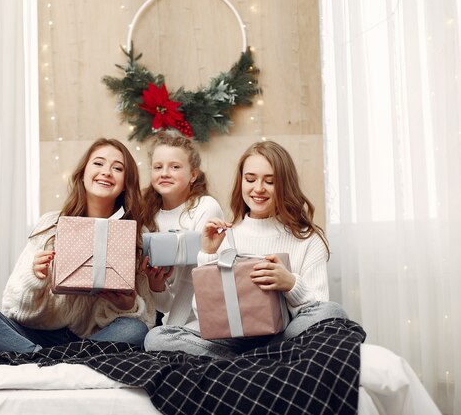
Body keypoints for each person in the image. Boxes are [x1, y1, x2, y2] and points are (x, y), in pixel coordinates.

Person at [144, 140, 347, 358]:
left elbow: (319, 307)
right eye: (250, 179)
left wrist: (290, 283)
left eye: (270, 181)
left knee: (332, 312)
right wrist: (208, 255)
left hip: (286, 334)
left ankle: (249, 359)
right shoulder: (227, 236)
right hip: (233, 341)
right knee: (156, 338)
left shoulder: (308, 238)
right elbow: (205, 315)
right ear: (241, 181)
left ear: (284, 185)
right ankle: (265, 358)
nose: (258, 189)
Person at [0, 138, 155, 353]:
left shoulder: (136, 236)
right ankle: (53, 360)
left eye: (117, 168)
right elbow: (13, 309)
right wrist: (35, 278)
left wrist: (127, 306)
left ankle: (39, 359)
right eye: (98, 163)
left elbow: (147, 320)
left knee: (135, 330)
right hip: (35, 334)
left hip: (93, 340)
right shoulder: (50, 224)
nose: (106, 171)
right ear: (83, 174)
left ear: (126, 182)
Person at [140, 130, 223, 334]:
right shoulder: (149, 217)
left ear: (193, 174)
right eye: (158, 167)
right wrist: (156, 285)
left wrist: (170, 329)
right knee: (154, 338)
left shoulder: (205, 207)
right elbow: (166, 306)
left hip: (211, 315)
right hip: (177, 320)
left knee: (156, 340)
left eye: (175, 167)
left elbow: (191, 279)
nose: (165, 173)